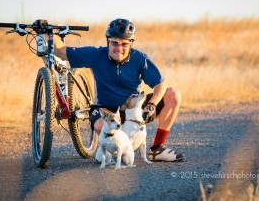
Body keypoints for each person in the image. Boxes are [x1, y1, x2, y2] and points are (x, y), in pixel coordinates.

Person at [54, 18, 184, 162]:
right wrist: (50, 34)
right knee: (100, 125)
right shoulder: (96, 55)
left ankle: (157, 149)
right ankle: (112, 148)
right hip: (106, 109)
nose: (119, 47)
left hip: (132, 110)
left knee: (173, 95)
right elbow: (61, 52)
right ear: (107, 41)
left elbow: (161, 85)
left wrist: (152, 104)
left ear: (131, 44)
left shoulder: (139, 58)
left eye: (124, 44)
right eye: (115, 42)